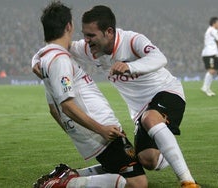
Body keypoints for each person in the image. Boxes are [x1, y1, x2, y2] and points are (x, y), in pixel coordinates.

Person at [69, 5, 200, 188]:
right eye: (84, 34)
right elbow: (59, 46)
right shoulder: (88, 49)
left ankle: (188, 182)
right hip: (140, 111)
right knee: (148, 160)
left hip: (167, 91)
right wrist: (38, 60)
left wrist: (131, 66)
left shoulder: (131, 40)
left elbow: (160, 58)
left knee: (151, 118)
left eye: (91, 35)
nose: (86, 40)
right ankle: (169, 148)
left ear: (108, 32)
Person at [31, 1, 147, 188]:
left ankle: (68, 176)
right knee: (137, 183)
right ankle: (67, 183)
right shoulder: (59, 59)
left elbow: (53, 109)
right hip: (101, 129)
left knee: (126, 167)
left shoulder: (46, 59)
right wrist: (100, 129)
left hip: (91, 130)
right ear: (69, 26)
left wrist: (76, 133)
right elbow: (66, 106)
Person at [200, 17, 218, 97]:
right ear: (214, 23)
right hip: (209, 53)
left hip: (211, 53)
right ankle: (204, 87)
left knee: (213, 70)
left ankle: (207, 88)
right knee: (212, 70)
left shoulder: (211, 30)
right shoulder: (212, 30)